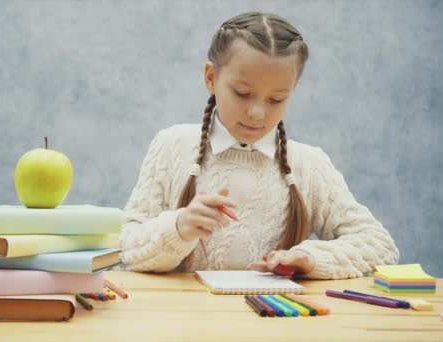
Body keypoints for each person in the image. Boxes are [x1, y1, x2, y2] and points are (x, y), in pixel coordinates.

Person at [118, 11, 399, 279]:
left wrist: (310, 259)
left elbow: (380, 245)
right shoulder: (172, 147)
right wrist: (179, 227)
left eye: (276, 99)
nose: (257, 113)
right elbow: (127, 249)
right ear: (211, 78)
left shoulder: (309, 165)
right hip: (184, 323)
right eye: (242, 93)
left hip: (276, 323)